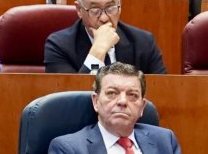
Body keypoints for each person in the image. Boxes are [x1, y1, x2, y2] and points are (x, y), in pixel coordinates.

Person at [45, 0, 167, 75]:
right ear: (79, 9)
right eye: (95, 10)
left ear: (120, 5)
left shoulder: (144, 42)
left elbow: (161, 92)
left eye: (110, 8)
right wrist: (98, 50)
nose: (104, 18)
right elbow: (68, 98)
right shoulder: (59, 45)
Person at [48, 62, 181, 154]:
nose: (122, 101)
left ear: (142, 107)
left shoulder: (165, 140)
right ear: (96, 102)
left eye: (132, 95)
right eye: (112, 93)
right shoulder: (68, 148)